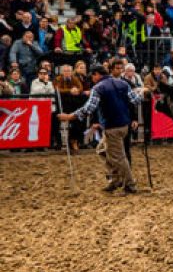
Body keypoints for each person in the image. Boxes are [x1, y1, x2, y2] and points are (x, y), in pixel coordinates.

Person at [58, 64, 145, 195]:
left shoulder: (98, 88)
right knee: (103, 150)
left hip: (112, 126)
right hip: (123, 125)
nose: (92, 78)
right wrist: (142, 92)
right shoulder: (122, 83)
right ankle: (115, 180)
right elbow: (136, 100)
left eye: (93, 75)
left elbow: (89, 108)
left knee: (118, 157)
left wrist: (70, 116)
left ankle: (130, 185)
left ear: (97, 74)